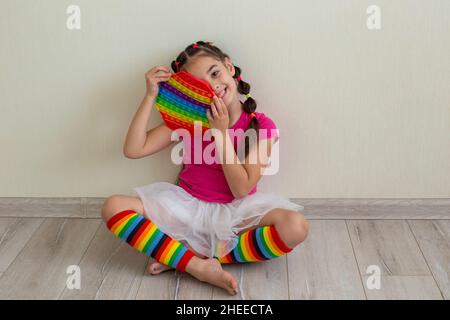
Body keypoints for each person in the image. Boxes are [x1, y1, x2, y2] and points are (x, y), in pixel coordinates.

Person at [101, 40, 309, 296]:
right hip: (187, 209)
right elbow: (134, 149)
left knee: (296, 227)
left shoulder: (262, 125)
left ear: (229, 67)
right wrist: (149, 96)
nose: (214, 86)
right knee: (113, 206)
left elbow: (241, 189)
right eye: (202, 84)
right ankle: (196, 265)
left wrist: (220, 134)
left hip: (237, 214)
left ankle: (187, 257)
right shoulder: (190, 121)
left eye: (215, 73)